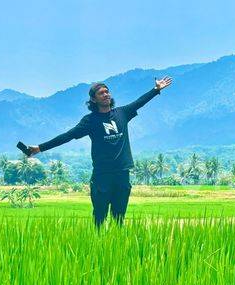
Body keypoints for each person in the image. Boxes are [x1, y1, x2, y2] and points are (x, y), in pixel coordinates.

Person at [27, 77, 173, 227]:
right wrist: (40, 148)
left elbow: (140, 102)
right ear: (93, 99)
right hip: (102, 175)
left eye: (107, 92)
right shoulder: (90, 121)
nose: (106, 95)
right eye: (101, 93)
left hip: (122, 173)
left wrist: (156, 90)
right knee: (99, 217)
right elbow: (68, 136)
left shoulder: (122, 113)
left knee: (119, 218)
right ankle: (98, 245)